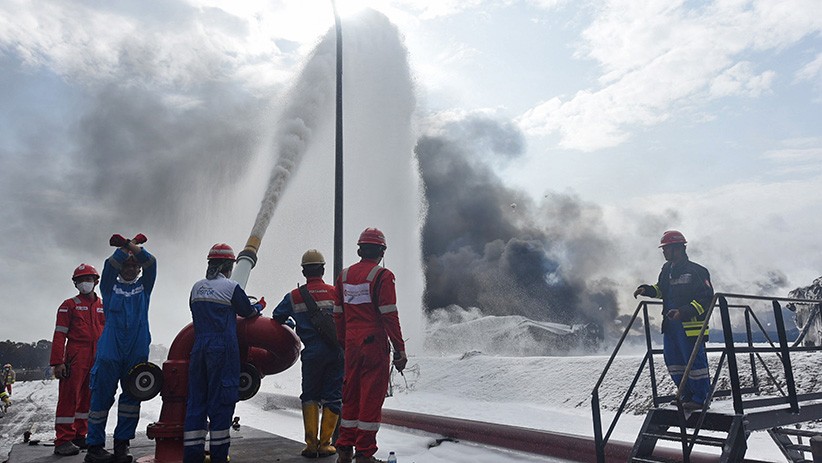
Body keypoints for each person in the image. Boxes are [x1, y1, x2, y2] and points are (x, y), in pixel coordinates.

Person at [183, 243, 266, 463]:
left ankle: (192, 455)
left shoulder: (196, 288)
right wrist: (260, 307)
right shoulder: (231, 287)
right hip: (222, 349)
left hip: (199, 348)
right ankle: (219, 456)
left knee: (196, 401)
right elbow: (246, 311)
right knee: (221, 401)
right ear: (229, 266)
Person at [334, 228, 408, 463]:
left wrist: (344, 342)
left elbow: (338, 314)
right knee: (370, 398)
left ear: (359, 250)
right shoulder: (382, 276)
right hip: (374, 345)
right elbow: (389, 315)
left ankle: (344, 448)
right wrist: (400, 349)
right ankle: (364, 452)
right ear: (382, 251)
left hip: (352, 344)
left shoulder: (344, 276)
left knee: (351, 395)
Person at [85, 234, 156, 463]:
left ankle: (121, 445)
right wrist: (125, 249)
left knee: (131, 399)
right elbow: (109, 265)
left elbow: (151, 263)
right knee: (101, 399)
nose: (130, 269)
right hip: (110, 350)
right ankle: (94, 447)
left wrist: (130, 247)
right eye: (127, 265)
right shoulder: (109, 287)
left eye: (135, 266)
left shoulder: (144, 287)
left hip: (137, 349)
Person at [272, 249, 343, 458]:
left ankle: (311, 445)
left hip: (311, 354)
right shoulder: (334, 292)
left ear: (304, 272)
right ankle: (326, 444)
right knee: (333, 396)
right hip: (335, 352)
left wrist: (293, 323)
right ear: (323, 269)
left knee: (310, 396)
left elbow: (277, 316)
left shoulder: (294, 296)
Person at [634, 230, 714, 411]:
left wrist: (683, 312)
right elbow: (661, 289)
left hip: (691, 327)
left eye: (667, 249)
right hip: (671, 326)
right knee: (673, 361)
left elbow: (706, 298)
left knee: (694, 363)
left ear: (678, 249)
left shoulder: (697, 271)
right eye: (664, 249)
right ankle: (685, 395)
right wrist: (646, 290)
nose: (664, 252)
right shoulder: (666, 270)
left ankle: (701, 398)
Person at [51, 263, 106, 456]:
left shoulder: (103, 305)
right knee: (69, 398)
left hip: (97, 356)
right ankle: (63, 439)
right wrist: (58, 362)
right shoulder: (69, 305)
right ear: (75, 284)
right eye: (81, 280)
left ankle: (79, 434)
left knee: (88, 398)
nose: (85, 283)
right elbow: (59, 335)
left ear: (96, 282)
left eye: (88, 279)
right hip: (75, 356)